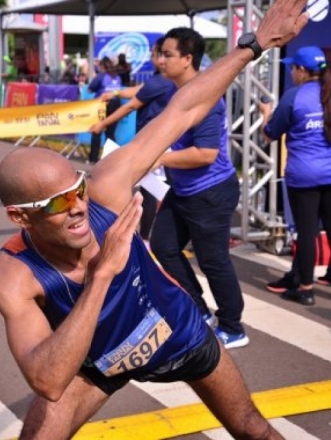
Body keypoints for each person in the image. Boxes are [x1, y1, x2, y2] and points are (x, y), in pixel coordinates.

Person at [0, 0, 309, 438]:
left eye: (76, 189)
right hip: (100, 358)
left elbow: (184, 111)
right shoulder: (12, 274)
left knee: (252, 428)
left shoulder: (106, 189)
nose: (79, 206)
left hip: (179, 333)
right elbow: (46, 379)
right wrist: (101, 276)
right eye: (59, 203)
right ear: (20, 217)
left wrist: (253, 45)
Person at [146, 27, 247, 349]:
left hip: (211, 192)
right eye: (161, 54)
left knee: (213, 260)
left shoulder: (205, 98)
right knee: (163, 246)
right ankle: (198, 310)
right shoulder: (177, 92)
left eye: (168, 54)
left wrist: (160, 158)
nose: (161, 60)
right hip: (185, 190)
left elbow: (205, 154)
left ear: (188, 59)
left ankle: (232, 327)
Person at [258, 46, 331, 306]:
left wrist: (265, 115)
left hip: (304, 175)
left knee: (307, 231)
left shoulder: (294, 96)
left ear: (302, 70)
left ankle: (306, 289)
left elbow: (270, 134)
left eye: (292, 68)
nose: (291, 72)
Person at [89, 37, 176, 240]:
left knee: (152, 192)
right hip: (159, 142)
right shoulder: (159, 80)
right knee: (159, 189)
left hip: (156, 143)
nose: (157, 58)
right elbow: (137, 91)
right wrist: (115, 93)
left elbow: (131, 104)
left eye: (158, 54)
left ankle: (146, 238)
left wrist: (102, 124)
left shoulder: (160, 81)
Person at [87, 57, 122, 164]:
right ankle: (113, 160)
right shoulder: (117, 76)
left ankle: (93, 159)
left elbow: (90, 89)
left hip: (102, 105)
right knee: (110, 133)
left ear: (102, 66)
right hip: (116, 104)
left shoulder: (101, 76)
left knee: (97, 131)